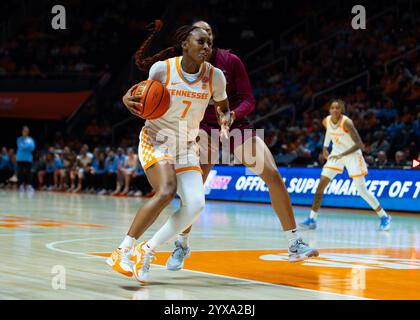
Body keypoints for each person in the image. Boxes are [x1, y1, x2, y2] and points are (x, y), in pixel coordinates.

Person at [132, 20, 318, 270]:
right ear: (188, 41)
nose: (205, 38)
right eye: (200, 34)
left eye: (208, 33)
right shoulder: (176, 67)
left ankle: (294, 242)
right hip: (200, 129)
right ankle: (181, 244)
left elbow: (248, 100)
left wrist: (233, 115)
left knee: (272, 174)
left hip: (235, 125)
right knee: (195, 190)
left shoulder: (230, 62)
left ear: (212, 37)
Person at [109, 24, 231, 284]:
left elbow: (223, 106)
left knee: (196, 204)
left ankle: (148, 249)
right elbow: (141, 97)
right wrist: (125, 99)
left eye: (210, 43)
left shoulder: (216, 76)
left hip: (186, 145)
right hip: (156, 139)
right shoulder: (163, 69)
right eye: (201, 42)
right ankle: (123, 250)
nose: (207, 47)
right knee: (166, 190)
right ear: (185, 44)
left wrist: (225, 119)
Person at [299, 100, 392, 231]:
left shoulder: (346, 122)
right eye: (332, 108)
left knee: (362, 191)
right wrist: (325, 147)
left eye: (338, 108)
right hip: (337, 153)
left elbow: (360, 144)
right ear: (329, 110)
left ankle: (384, 216)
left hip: (352, 154)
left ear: (341, 110)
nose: (335, 110)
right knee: (320, 186)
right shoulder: (326, 121)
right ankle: (312, 219)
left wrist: (342, 154)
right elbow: (329, 132)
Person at [16, 126, 35, 193]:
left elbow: (32, 147)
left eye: (26, 131)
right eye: (24, 131)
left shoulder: (31, 140)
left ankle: (28, 185)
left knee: (28, 172)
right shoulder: (19, 139)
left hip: (28, 158)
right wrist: (27, 146)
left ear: (28, 132)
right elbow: (20, 147)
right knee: (20, 172)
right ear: (22, 132)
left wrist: (25, 146)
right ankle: (21, 185)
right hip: (20, 158)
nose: (25, 132)